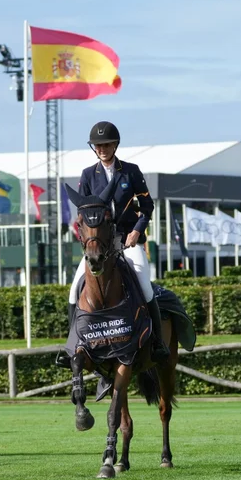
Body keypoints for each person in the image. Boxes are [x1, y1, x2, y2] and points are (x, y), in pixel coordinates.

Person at [69, 121, 167, 362]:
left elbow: (147, 206)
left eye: (107, 144)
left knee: (144, 285)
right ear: (94, 148)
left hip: (128, 241)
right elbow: (84, 212)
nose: (103, 148)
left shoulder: (131, 171)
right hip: (99, 245)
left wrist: (137, 231)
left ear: (115, 145)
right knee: (74, 290)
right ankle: (72, 343)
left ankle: (157, 342)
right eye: (98, 145)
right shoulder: (88, 175)